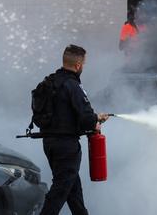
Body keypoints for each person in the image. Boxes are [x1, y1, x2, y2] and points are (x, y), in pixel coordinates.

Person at [39, 44, 110, 215]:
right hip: (67, 147)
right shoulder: (72, 86)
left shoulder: (49, 82)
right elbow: (86, 119)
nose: (83, 67)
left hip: (49, 143)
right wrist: (97, 119)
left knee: (73, 191)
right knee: (59, 192)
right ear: (78, 65)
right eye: (83, 64)